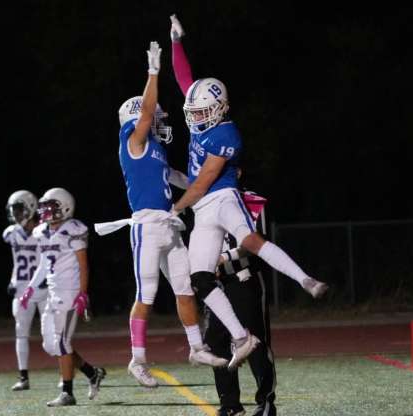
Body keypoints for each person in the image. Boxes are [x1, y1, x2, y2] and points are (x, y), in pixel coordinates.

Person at [168, 15, 329, 319]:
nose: (197, 117)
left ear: (218, 109)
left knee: (250, 241)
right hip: (202, 209)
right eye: (195, 111)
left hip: (221, 196)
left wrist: (174, 210)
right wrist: (176, 42)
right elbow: (183, 78)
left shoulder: (227, 134)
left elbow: (202, 183)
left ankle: (305, 279)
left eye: (203, 111)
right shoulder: (202, 124)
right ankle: (239, 337)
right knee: (200, 278)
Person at [111, 41, 230, 388]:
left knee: (184, 289)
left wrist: (210, 182)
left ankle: (196, 347)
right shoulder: (132, 143)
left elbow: (182, 179)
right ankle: (138, 359)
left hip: (169, 226)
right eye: (156, 117)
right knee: (145, 295)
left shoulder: (156, 152)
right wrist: (153, 72)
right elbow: (147, 115)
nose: (161, 122)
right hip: (146, 227)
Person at [20, 187, 106, 407]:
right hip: (51, 293)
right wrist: (30, 288)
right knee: (51, 345)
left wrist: (82, 294)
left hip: (69, 293)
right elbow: (43, 264)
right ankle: (91, 372)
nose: (46, 211)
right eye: (45, 207)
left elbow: (83, 266)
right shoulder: (42, 232)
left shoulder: (74, 229)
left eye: (51, 207)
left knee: (61, 343)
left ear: (64, 208)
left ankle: (67, 393)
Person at [205, 187, 277, 416]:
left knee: (254, 340)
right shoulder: (206, 201)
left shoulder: (252, 200)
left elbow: (258, 242)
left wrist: (223, 258)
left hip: (244, 279)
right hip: (217, 285)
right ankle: (230, 404)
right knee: (216, 341)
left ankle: (265, 402)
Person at [2, 190, 49, 391]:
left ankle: (65, 374)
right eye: (14, 210)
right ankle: (23, 377)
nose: (16, 214)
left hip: (43, 287)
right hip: (21, 290)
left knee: (52, 336)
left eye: (19, 209)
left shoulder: (43, 231)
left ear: (30, 208)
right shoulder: (11, 233)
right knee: (21, 333)